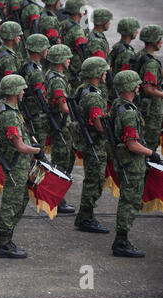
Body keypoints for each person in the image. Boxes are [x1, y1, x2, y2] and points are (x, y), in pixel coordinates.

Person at [110, 70, 162, 257]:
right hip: (132, 164)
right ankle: (121, 242)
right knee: (129, 202)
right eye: (136, 84)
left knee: (128, 200)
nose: (139, 86)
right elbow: (131, 144)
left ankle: (122, 240)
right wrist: (151, 154)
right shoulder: (129, 114)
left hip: (127, 162)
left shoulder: (118, 105)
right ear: (130, 87)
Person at [0, 74, 43, 259]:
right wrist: (36, 151)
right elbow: (20, 146)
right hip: (16, 165)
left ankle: (8, 239)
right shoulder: (10, 116)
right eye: (21, 89)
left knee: (20, 200)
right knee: (11, 203)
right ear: (15, 92)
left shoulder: (8, 110)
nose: (23, 92)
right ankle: (4, 243)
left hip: (19, 164)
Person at [73, 57, 110, 233]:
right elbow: (99, 126)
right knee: (94, 181)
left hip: (89, 143)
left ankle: (85, 215)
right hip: (95, 144)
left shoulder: (83, 89)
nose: (105, 74)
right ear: (96, 73)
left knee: (93, 180)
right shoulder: (94, 97)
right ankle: (86, 217)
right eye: (103, 71)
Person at [45, 44, 76, 214]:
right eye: (67, 57)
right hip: (62, 125)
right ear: (59, 60)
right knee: (61, 162)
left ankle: (58, 196)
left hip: (62, 124)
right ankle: (57, 198)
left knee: (65, 161)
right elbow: (63, 107)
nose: (69, 60)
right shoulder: (57, 79)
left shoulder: (55, 76)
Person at [18, 34, 49, 147]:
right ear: (38, 50)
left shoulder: (27, 64)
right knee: (38, 144)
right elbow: (39, 93)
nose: (47, 49)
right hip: (35, 112)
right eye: (44, 47)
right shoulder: (35, 71)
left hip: (29, 110)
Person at [135, 24, 163, 152]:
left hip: (141, 105)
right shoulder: (151, 63)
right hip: (150, 111)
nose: (161, 41)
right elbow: (149, 89)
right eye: (160, 39)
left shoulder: (140, 55)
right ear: (154, 41)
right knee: (150, 143)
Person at [60, 0, 88, 93]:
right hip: (75, 70)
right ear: (79, 12)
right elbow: (83, 51)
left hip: (63, 65)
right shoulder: (77, 30)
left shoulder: (63, 24)